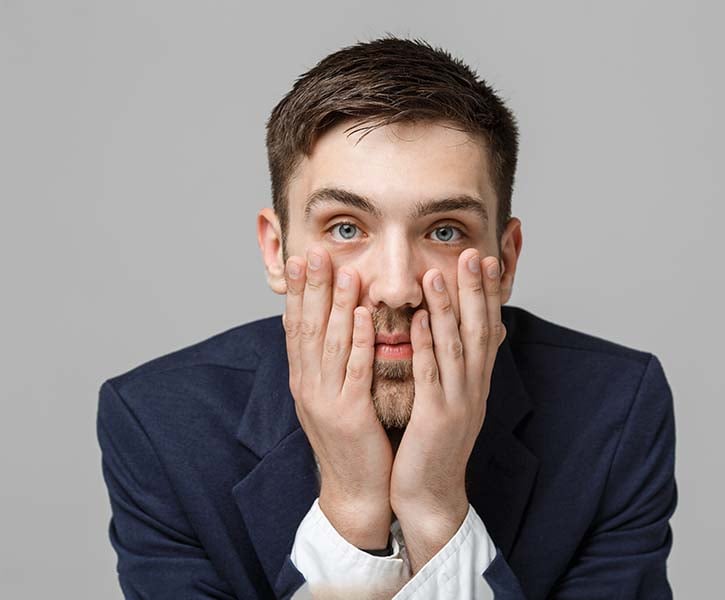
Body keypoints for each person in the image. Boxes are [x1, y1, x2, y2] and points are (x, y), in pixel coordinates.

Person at [97, 36, 677, 599]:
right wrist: (350, 506)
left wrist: (435, 506)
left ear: (506, 261)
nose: (397, 289)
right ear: (277, 252)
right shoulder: (159, 425)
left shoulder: (615, 410)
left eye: (445, 231)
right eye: (346, 229)